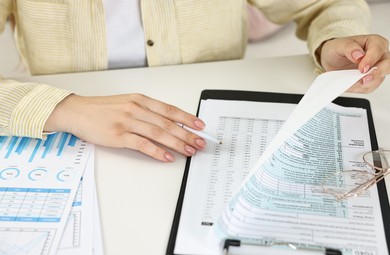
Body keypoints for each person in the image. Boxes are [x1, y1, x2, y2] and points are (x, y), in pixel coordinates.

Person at [0, 0, 389, 163]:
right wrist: (65, 108)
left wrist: (332, 40)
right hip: (71, 133)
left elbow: (319, 5)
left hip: (216, 128)